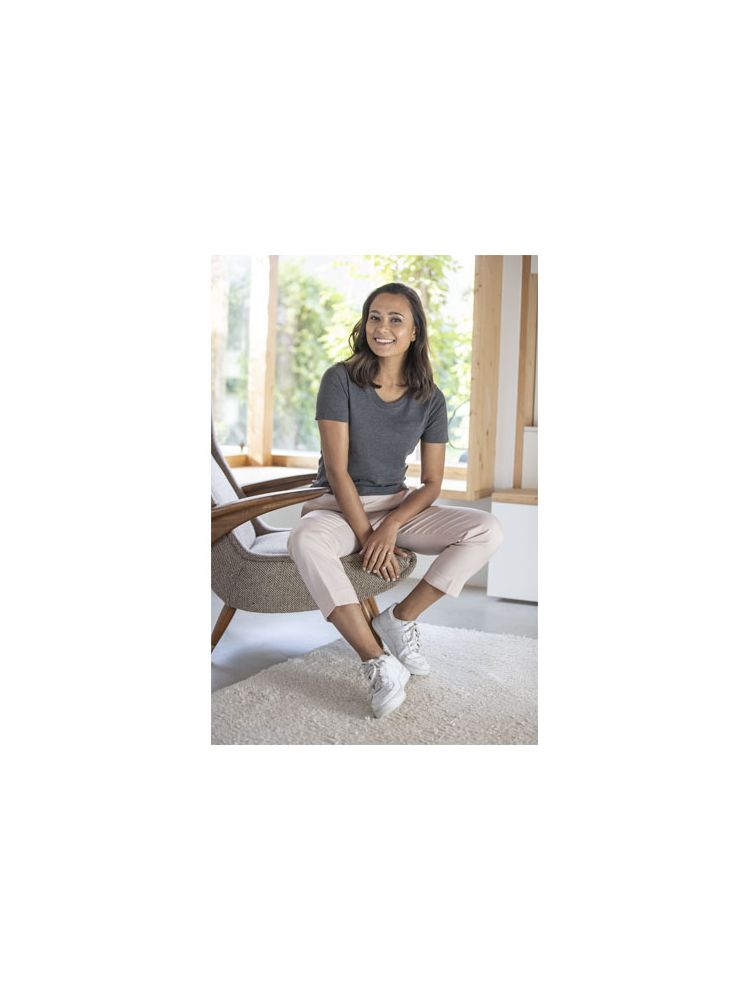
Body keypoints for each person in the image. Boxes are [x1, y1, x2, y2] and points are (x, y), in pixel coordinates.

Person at [287, 282, 504, 719]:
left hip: (396, 507)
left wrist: (389, 526)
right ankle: (377, 661)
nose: (381, 328)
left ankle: (400, 618)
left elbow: (432, 484)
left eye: (395, 320)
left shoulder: (431, 399)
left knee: (486, 529)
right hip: (338, 507)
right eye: (374, 317)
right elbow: (337, 471)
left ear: (414, 332)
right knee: (304, 540)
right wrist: (368, 535)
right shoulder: (340, 380)